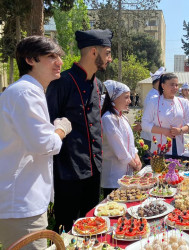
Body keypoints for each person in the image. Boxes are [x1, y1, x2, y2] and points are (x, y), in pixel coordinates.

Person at [0, 36, 72, 249]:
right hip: (22, 205)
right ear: (31, 59)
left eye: (59, 56)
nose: (59, 62)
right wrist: (61, 129)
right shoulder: (26, 91)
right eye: (51, 56)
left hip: (24, 201)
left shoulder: (27, 90)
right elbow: (43, 145)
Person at [46, 29, 113, 232]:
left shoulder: (100, 86)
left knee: (93, 226)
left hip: (94, 169)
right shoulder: (62, 83)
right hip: (68, 173)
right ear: (94, 52)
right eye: (107, 53)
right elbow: (49, 125)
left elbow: (101, 116)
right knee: (66, 230)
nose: (110, 59)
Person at [101, 80, 142, 198]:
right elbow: (119, 149)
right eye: (126, 97)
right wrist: (134, 163)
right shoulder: (108, 118)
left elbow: (130, 144)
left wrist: (137, 157)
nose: (129, 101)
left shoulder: (122, 117)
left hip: (126, 173)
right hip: (114, 177)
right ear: (114, 98)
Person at [142, 73, 189, 156]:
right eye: (172, 85)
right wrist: (164, 131)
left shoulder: (183, 102)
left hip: (178, 148)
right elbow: (145, 124)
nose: (175, 88)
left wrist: (180, 130)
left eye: (176, 85)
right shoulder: (153, 102)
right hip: (159, 148)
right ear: (163, 85)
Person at [133, 67, 166, 148]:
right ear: (159, 82)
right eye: (164, 82)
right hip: (151, 136)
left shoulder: (156, 94)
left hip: (153, 135)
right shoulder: (154, 97)